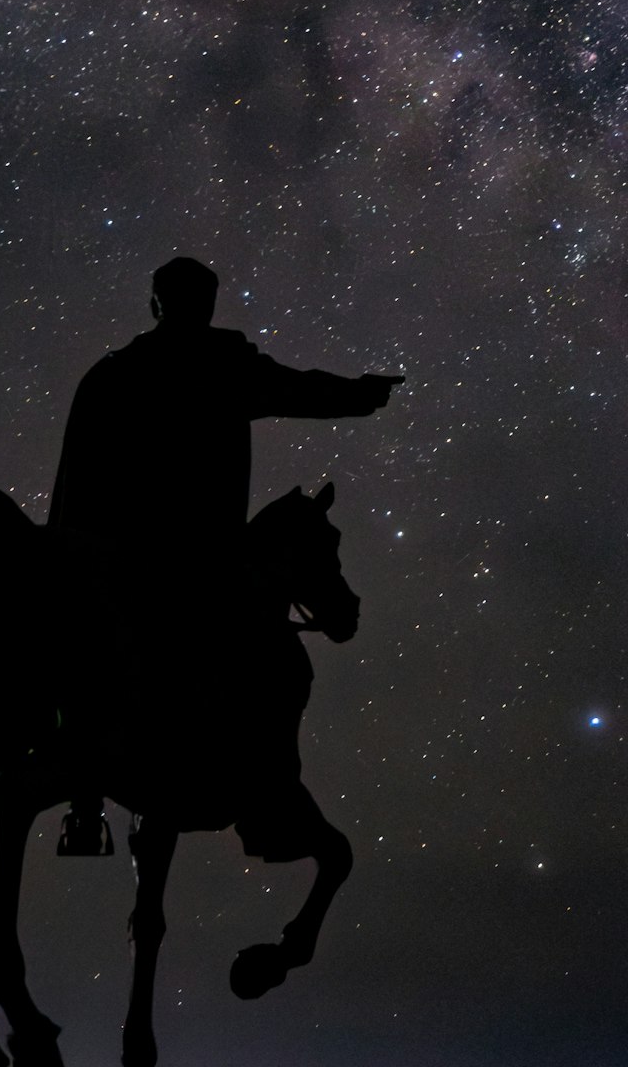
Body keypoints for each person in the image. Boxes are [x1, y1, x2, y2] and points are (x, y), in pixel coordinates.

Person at [45, 256, 402, 850]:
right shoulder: (219, 363)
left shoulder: (115, 373)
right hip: (198, 551)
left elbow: (79, 479)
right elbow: (298, 389)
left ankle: (88, 793)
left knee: (91, 657)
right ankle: (254, 788)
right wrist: (360, 395)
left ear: (156, 303)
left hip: (128, 551)